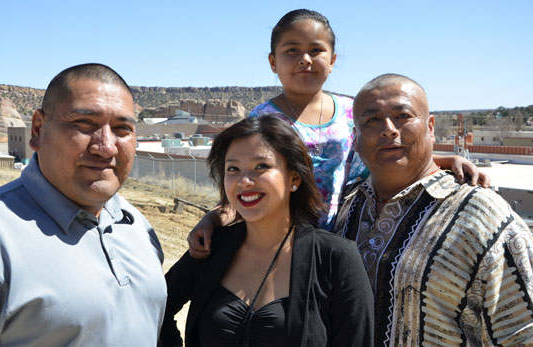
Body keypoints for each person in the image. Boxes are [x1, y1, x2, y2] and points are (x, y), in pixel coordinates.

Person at [187, 8, 489, 258]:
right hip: (277, 247)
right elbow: (246, 184)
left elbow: (379, 158)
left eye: (316, 50)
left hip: (345, 245)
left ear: (332, 61)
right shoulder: (261, 121)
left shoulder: (353, 113)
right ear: (272, 62)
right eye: (292, 51)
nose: (305, 59)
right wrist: (213, 218)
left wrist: (444, 161)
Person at [0, 63, 167, 346]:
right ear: (37, 129)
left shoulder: (135, 225)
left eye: (122, 129)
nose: (106, 146)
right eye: (84, 124)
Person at [333, 73, 533, 346]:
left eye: (403, 115)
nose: (388, 128)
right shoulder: (345, 205)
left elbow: (523, 333)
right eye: (372, 119)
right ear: (356, 138)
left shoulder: (483, 215)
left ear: (430, 126)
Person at [160, 115, 374, 347]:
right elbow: (156, 307)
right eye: (233, 169)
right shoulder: (210, 248)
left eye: (261, 166)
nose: (244, 181)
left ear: (294, 177)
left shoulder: (336, 258)